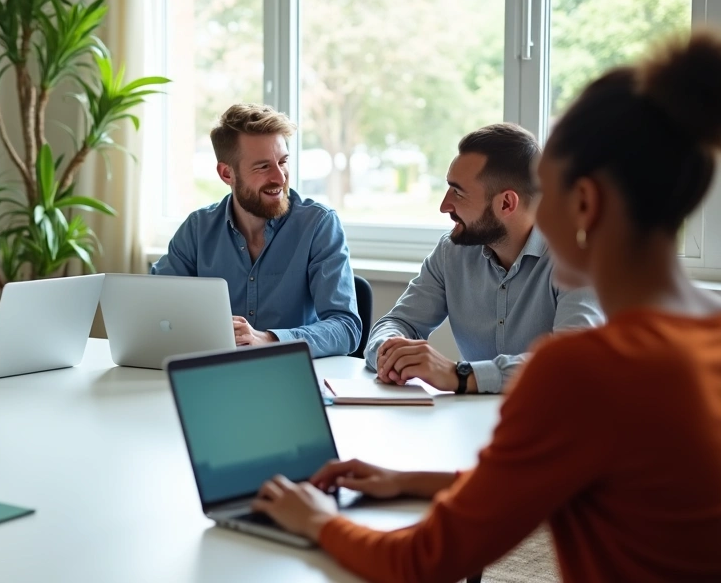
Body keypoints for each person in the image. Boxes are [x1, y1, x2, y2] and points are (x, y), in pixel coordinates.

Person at [250, 32, 721, 581]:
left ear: (585, 204)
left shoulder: (581, 370)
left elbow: (423, 561)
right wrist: (409, 480)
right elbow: (563, 478)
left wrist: (314, 520)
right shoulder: (704, 333)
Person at [366, 124, 603, 394]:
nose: (444, 205)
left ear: (505, 204)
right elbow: (399, 322)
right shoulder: (451, 252)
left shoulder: (578, 258)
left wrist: (461, 376)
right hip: (473, 422)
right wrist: (391, 352)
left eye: (458, 192)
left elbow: (572, 365)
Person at [151, 103, 360, 357]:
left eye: (282, 162)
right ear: (227, 173)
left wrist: (269, 339)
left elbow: (346, 327)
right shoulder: (197, 229)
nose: (280, 178)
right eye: (263, 167)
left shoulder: (318, 224)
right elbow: (155, 308)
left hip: (290, 375)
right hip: (214, 373)